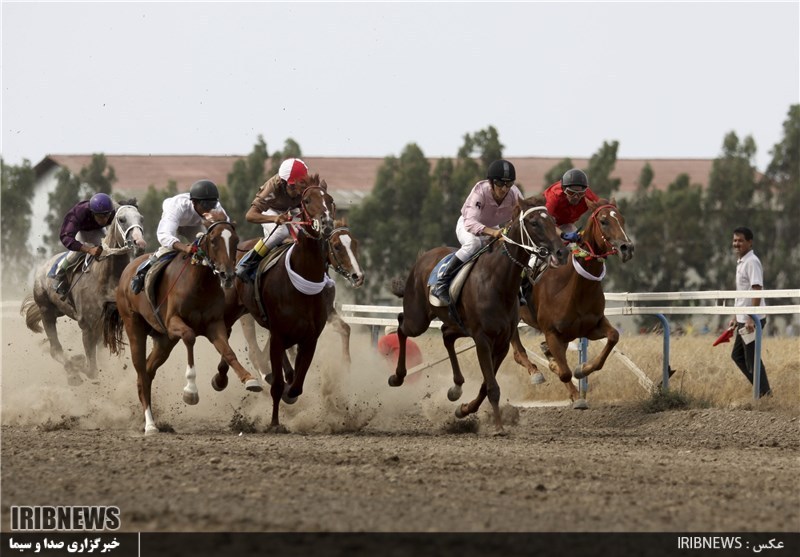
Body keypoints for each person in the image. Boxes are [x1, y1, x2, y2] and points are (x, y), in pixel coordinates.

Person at [431, 159, 523, 305]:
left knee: (511, 248)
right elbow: (471, 223)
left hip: (494, 227)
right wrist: (493, 233)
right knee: (473, 244)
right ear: (491, 182)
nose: (504, 189)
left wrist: (511, 227)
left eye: (509, 184)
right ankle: (442, 283)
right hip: (468, 226)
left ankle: (517, 289)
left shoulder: (514, 194)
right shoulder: (480, 191)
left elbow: (521, 216)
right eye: (500, 184)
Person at [130, 179, 228, 294]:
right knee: (167, 249)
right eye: (205, 205)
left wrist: (222, 223)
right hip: (174, 224)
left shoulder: (216, 208)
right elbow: (164, 235)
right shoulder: (177, 207)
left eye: (211, 205)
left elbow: (226, 232)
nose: (209, 209)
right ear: (194, 202)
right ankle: (143, 271)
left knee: (207, 249)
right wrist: (184, 247)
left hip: (194, 225)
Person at [235, 158, 312, 282]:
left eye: (300, 185)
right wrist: (274, 218)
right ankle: (247, 263)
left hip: (291, 209)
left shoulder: (307, 185)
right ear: (282, 182)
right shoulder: (271, 188)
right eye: (292, 186)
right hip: (270, 210)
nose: (297, 191)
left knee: (306, 234)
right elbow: (250, 215)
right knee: (282, 232)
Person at [728, 226, 772, 397]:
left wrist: (751, 318)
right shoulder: (741, 262)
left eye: (740, 240)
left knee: (751, 358)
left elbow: (756, 289)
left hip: (751, 320)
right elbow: (741, 293)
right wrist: (735, 316)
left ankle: (764, 393)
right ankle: (762, 391)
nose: (736, 244)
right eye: (735, 240)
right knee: (738, 355)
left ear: (750, 242)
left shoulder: (752, 262)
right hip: (743, 318)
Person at [51, 193, 116, 300]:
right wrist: (89, 249)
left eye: (106, 215)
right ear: (92, 212)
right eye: (100, 216)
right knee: (75, 254)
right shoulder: (79, 212)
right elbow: (65, 237)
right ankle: (60, 273)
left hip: (98, 231)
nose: (104, 219)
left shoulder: (113, 211)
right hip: (81, 232)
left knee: (110, 250)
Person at [542, 168, 600, 242]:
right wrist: (563, 235)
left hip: (565, 225)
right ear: (563, 189)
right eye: (571, 193)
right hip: (544, 224)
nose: (576, 197)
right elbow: (545, 221)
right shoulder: (553, 195)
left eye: (580, 193)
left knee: (578, 246)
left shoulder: (588, 195)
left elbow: (604, 209)